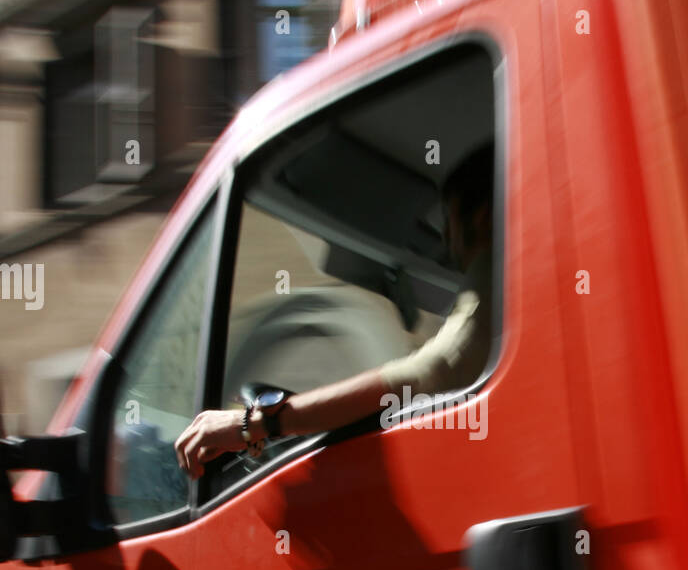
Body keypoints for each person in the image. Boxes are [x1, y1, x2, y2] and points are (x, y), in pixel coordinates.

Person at [174, 144, 494, 480]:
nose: (445, 238)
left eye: (452, 221)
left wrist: (256, 424)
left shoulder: (494, 276)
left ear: (484, 217)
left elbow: (428, 374)